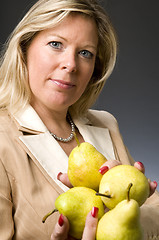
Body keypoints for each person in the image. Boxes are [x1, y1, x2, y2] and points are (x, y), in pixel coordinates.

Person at [0, 0, 158, 239]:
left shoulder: (105, 123)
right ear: (24, 48)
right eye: (56, 44)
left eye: (85, 53)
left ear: (95, 67)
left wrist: (120, 214)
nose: (71, 64)